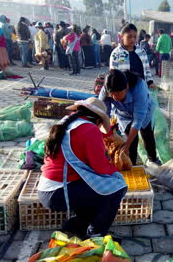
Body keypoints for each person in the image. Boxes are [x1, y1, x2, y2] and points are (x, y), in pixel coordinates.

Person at [38, 97, 127, 239]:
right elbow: (101, 168)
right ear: (98, 120)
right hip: (59, 192)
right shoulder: (90, 129)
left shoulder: (66, 123)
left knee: (95, 188)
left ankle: (75, 226)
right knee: (117, 187)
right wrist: (115, 171)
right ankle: (96, 235)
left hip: (47, 188)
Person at [99, 70, 160, 166]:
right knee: (131, 141)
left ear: (127, 87)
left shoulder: (139, 88)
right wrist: (105, 138)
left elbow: (137, 121)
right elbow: (103, 114)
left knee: (147, 134)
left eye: (119, 93)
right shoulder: (106, 90)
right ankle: (132, 165)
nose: (115, 97)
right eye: (112, 94)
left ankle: (153, 160)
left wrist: (126, 146)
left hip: (144, 112)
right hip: (123, 114)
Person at [110, 23, 155, 89]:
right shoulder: (116, 53)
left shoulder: (142, 52)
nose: (133, 40)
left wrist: (150, 82)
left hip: (141, 87)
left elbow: (147, 70)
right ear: (122, 36)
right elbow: (113, 73)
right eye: (129, 37)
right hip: (124, 89)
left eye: (135, 37)